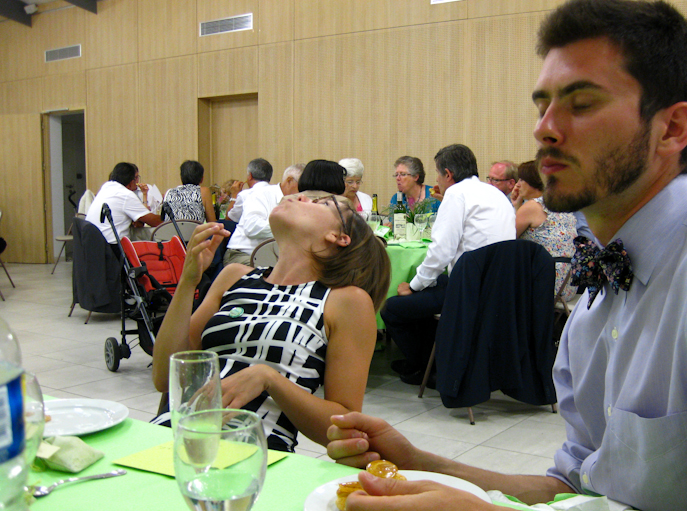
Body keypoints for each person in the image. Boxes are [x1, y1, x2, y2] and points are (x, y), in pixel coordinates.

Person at [326, 1, 687, 511]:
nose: (544, 127)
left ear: (673, 129)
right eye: (542, 104)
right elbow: (576, 491)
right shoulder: (595, 301)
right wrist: (422, 462)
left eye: (580, 103)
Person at [152, 190, 390, 452]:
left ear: (338, 237)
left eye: (322, 204)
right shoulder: (234, 276)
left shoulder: (345, 301)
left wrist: (269, 379)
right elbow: (164, 378)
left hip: (256, 452)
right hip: (170, 437)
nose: (300, 197)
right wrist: (188, 282)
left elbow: (344, 430)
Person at [381, 144, 515, 386]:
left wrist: (413, 285)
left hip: (469, 290)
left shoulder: (456, 194)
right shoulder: (495, 194)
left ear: (448, 174)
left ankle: (425, 367)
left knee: (393, 307)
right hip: (500, 288)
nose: (437, 181)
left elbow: (440, 252)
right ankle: (432, 360)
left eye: (437, 174)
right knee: (434, 286)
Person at [513, 160, 578, 300]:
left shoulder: (533, 206)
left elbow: (507, 239)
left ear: (533, 182)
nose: (517, 184)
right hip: (568, 284)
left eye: (522, 179)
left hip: (547, 283)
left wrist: (516, 206)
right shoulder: (561, 204)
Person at [223, 158, 283, 266]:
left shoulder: (246, 194)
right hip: (269, 254)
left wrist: (234, 195)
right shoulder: (277, 193)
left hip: (244, 252)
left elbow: (230, 218)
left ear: (249, 176)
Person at [85, 162, 162, 246]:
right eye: (136, 178)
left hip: (93, 245)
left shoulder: (106, 187)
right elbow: (154, 221)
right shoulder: (126, 195)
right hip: (112, 247)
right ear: (131, 182)